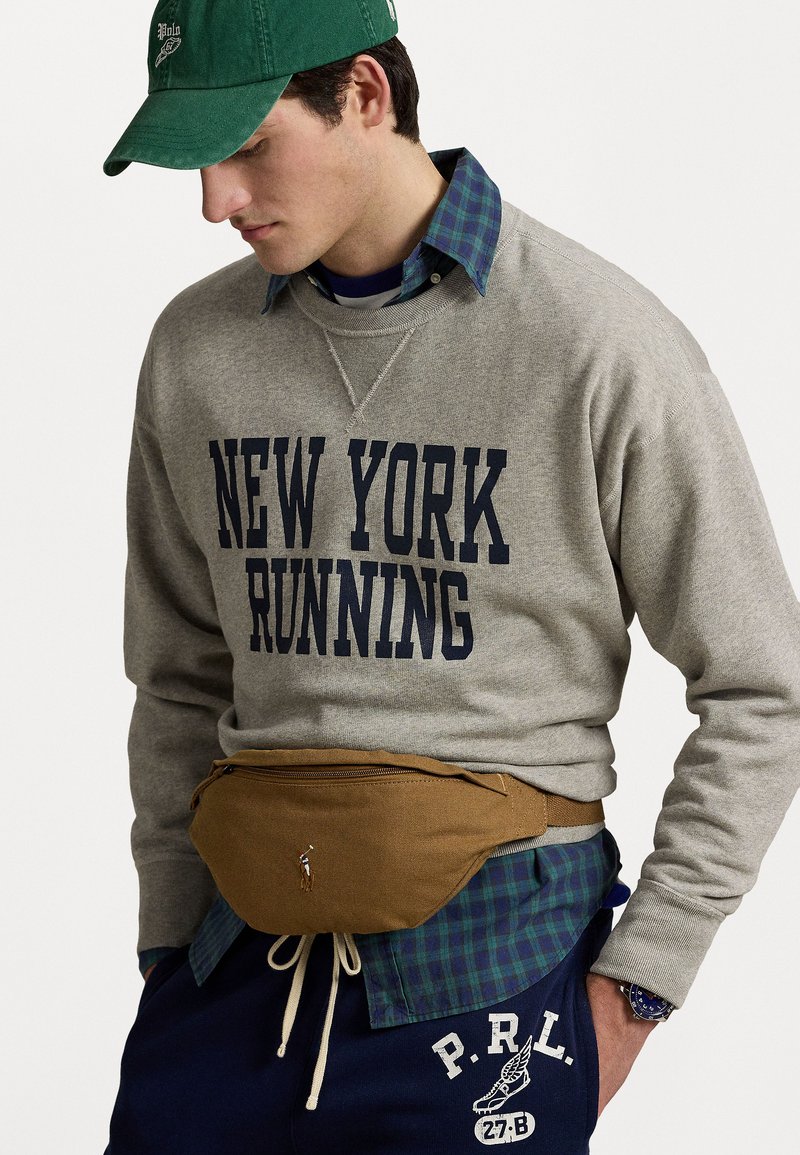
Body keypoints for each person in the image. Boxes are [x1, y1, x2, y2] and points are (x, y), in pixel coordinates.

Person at [100, 1, 800, 1152]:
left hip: (493, 978)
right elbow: (176, 674)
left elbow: (763, 685)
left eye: (250, 146)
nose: (216, 200)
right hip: (228, 975)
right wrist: (167, 943)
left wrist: (636, 987)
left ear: (365, 95)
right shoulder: (195, 346)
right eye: (199, 162)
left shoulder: (595, 341)